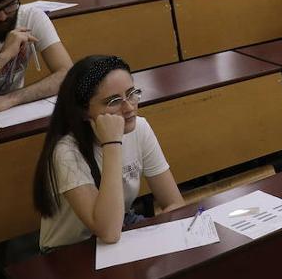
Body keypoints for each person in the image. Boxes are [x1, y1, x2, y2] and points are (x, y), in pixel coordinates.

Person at [33, 55, 184, 251]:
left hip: (121, 232)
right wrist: (112, 143)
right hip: (69, 251)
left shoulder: (140, 128)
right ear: (84, 111)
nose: (129, 107)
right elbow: (108, 232)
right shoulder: (66, 151)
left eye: (132, 93)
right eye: (113, 101)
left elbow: (174, 203)